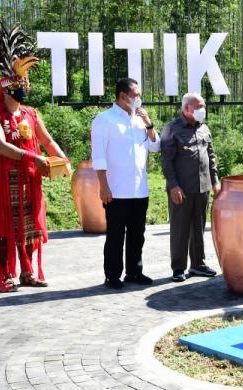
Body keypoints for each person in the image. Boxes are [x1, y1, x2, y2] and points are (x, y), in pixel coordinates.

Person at [0, 23, 69, 293]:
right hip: (2, 180)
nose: (23, 89)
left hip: (29, 178)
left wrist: (62, 160)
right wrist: (33, 157)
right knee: (5, 225)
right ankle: (4, 273)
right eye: (18, 85)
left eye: (25, 84)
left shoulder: (30, 113)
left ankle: (27, 271)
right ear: (6, 88)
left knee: (29, 225)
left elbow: (47, 141)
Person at [91, 78, 160, 289]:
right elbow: (99, 156)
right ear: (122, 96)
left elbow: (155, 147)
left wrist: (149, 124)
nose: (138, 99)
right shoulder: (104, 120)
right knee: (115, 235)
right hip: (116, 189)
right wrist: (103, 186)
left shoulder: (140, 119)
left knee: (137, 234)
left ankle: (134, 272)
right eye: (135, 95)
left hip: (139, 188)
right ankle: (112, 276)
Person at [161, 93, 220, 282]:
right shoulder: (171, 129)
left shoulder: (204, 128)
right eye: (199, 106)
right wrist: (173, 186)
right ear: (187, 108)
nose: (203, 109)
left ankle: (198, 265)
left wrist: (215, 181)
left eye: (204, 106)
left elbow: (211, 156)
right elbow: (167, 161)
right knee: (180, 229)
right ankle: (178, 268)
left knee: (199, 228)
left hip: (203, 187)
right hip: (182, 189)